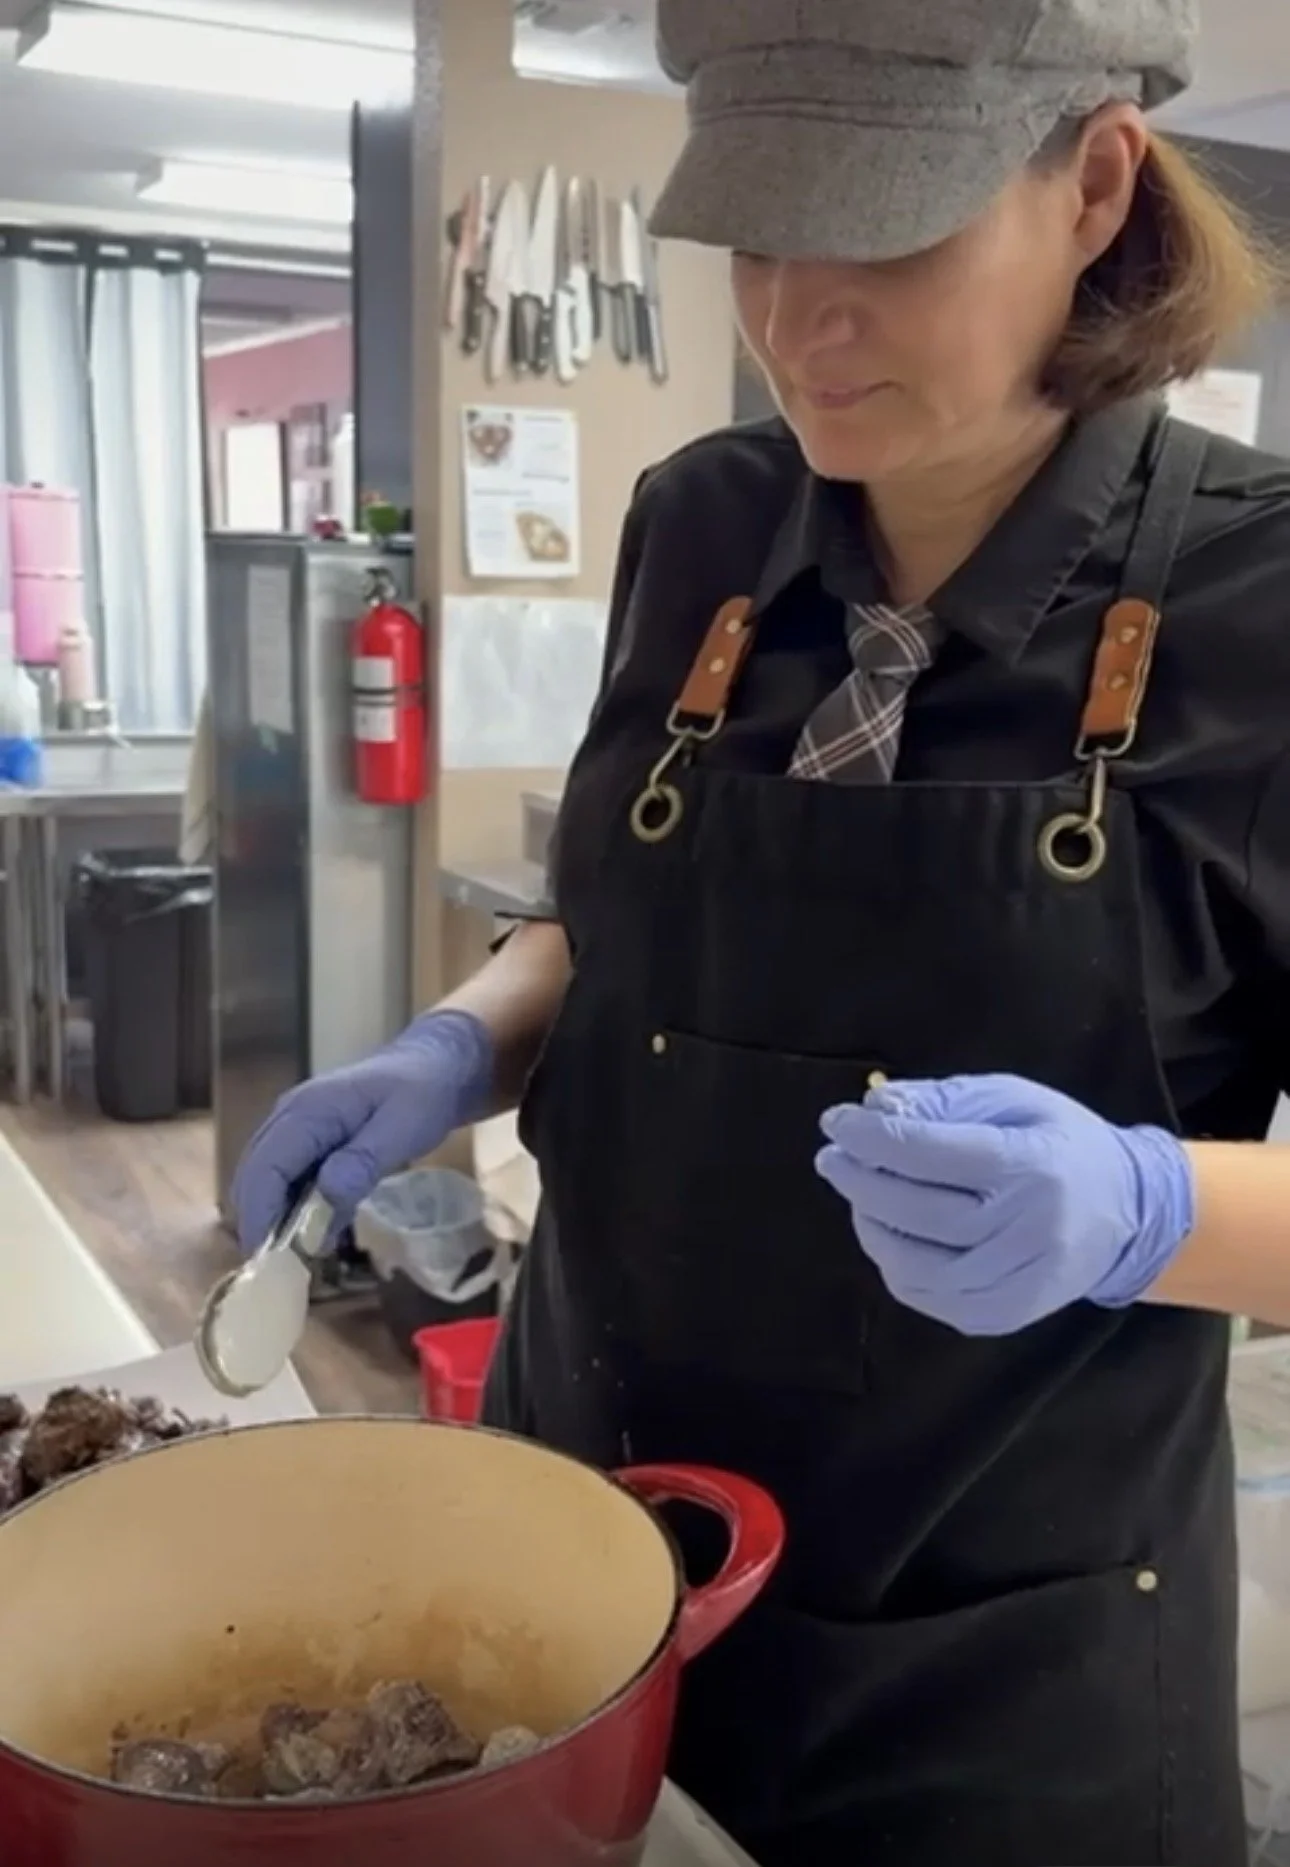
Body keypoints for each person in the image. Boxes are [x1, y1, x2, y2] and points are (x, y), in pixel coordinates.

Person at [231, 2, 1290, 1861]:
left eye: (883, 232)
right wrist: (461, 1038)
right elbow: (618, 927)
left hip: (996, 1659)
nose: (802, 318)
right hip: (583, 1558)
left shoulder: (1264, 600)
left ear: (1093, 181)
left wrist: (1144, 1208)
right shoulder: (701, 525)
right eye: (759, 237)